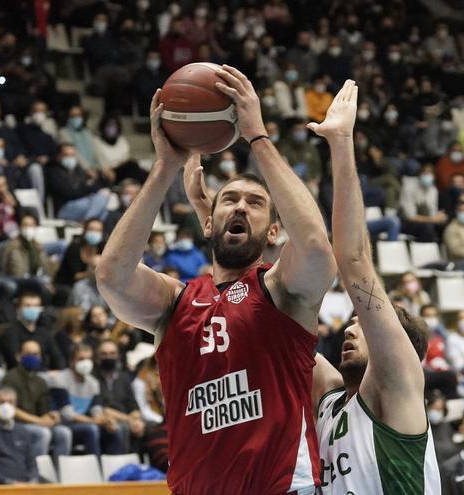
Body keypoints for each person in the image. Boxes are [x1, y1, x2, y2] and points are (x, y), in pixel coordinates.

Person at [96, 66, 336, 493]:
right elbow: (112, 275)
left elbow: (317, 246)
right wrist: (165, 167)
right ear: (208, 222)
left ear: (274, 232)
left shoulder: (283, 291)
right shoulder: (176, 301)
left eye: (255, 202)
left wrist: (258, 138)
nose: (240, 206)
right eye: (230, 199)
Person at [296, 81, 440, 492]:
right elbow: (282, 331)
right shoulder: (331, 401)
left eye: (362, 322)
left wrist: (341, 144)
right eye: (353, 321)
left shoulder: (398, 385)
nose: (349, 328)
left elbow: (355, 265)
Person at [1, 340, 70, 459]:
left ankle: (58, 473)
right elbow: (10, 409)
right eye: (28, 354)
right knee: (43, 433)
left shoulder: (41, 381)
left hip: (37, 422)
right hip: (16, 424)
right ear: (19, 356)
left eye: (36, 354)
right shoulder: (10, 378)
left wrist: (52, 416)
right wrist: (38, 421)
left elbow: (44, 410)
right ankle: (35, 473)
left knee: (64, 433)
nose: (32, 357)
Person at [43, 344, 102, 456]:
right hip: (61, 424)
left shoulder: (94, 383)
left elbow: (96, 410)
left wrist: (104, 421)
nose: (86, 363)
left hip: (82, 424)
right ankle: (96, 468)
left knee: (116, 429)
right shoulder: (59, 379)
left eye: (89, 359)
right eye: (81, 359)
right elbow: (68, 414)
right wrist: (95, 421)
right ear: (71, 361)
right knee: (92, 429)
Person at [92, 341, 145, 455]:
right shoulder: (92, 378)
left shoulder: (124, 377)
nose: (108, 357)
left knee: (148, 427)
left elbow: (134, 406)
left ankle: (142, 468)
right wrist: (129, 420)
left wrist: (136, 420)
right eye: (104, 354)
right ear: (97, 357)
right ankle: (121, 467)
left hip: (125, 418)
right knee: (121, 428)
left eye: (112, 353)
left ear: (118, 356)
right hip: (105, 420)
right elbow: (104, 409)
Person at [0, 293, 65, 370]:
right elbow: (14, 359)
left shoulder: (44, 333)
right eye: (27, 306)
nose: (32, 309)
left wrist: (58, 371)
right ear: (18, 308)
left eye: (35, 306)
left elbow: (57, 357)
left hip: (45, 374)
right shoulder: (10, 332)